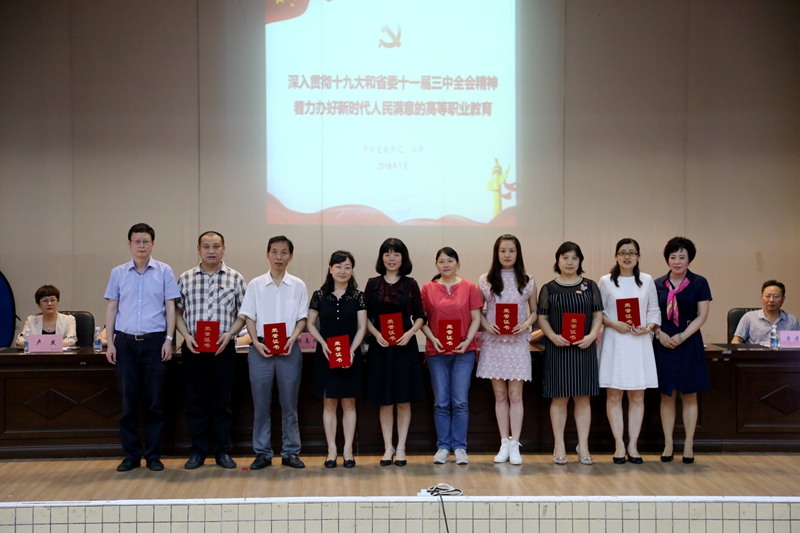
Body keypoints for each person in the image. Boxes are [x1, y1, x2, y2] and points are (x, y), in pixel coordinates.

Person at [104, 223, 180, 472]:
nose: (141, 245)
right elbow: (112, 308)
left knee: (154, 403)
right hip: (125, 344)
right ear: (129, 244)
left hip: (155, 343)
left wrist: (169, 339)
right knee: (128, 404)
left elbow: (170, 307)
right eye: (137, 241)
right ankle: (132, 455)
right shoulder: (118, 273)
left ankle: (154, 455)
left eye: (146, 241)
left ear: (152, 244)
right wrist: (111, 342)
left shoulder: (164, 271)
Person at [175, 231, 247, 470]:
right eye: (206, 246)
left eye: (216, 246)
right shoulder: (186, 278)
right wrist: (186, 336)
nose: (211, 251)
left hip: (222, 350)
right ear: (198, 249)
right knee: (195, 403)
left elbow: (244, 313)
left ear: (223, 249)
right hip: (193, 349)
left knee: (222, 403)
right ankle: (197, 452)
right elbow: (176, 312)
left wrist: (231, 333)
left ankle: (223, 451)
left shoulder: (235, 278)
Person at [238, 235, 309, 470]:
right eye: (275, 252)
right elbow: (248, 316)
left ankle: (290, 452)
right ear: (267, 254)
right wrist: (255, 343)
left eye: (284, 252)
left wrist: (293, 338)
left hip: (289, 350)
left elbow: (302, 318)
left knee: (290, 405)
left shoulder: (298, 285)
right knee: (261, 405)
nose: (279, 257)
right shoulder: (255, 285)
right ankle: (262, 453)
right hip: (260, 350)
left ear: (291, 256)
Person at [538, 241, 603, 466]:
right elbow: (542, 318)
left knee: (583, 398)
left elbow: (598, 315)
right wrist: (552, 336)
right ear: (558, 260)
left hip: (584, 348)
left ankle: (583, 446)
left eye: (574, 258)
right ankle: (559, 444)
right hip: (558, 348)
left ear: (580, 261)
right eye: (565, 257)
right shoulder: (549, 288)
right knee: (559, 398)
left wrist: (591, 336)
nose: (569, 262)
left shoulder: (590, 286)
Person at [476, 234, 538, 465]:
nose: (507, 254)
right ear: (497, 253)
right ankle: (503, 442)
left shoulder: (527, 279)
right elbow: (476, 311)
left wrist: (526, 324)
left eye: (511, 250)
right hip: (494, 343)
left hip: (517, 342)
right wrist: (486, 325)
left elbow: (535, 311)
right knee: (500, 395)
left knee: (515, 395)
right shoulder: (485, 279)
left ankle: (515, 444)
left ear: (517, 253)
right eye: (503, 250)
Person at [598, 238, 660, 464]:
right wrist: (614, 324)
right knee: (614, 395)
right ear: (616, 256)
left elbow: (654, 310)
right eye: (623, 253)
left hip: (638, 341)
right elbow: (599, 312)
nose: (627, 257)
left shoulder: (647, 280)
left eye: (632, 253)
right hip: (615, 340)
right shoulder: (606, 281)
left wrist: (649, 327)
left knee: (637, 395)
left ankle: (633, 444)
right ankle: (619, 444)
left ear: (638, 257)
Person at [364, 238, 426, 467]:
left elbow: (420, 315)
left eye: (396, 254)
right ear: (382, 257)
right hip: (380, 348)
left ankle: (401, 447)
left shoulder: (411, 284)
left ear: (403, 258)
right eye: (387, 254)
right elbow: (364, 316)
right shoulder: (372, 284)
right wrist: (375, 333)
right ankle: (388, 447)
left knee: (403, 399)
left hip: (404, 348)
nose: (391, 258)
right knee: (385, 400)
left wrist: (410, 333)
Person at [420, 247, 482, 465]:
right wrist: (433, 338)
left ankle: (460, 447)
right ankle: (443, 446)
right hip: (436, 352)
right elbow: (421, 319)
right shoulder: (428, 288)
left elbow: (476, 318)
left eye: (450, 261)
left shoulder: (469, 287)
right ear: (436, 264)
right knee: (441, 402)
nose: (446, 265)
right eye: (441, 261)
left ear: (457, 263)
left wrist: (468, 340)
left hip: (464, 352)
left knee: (460, 402)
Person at [652, 236, 711, 464]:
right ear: (667, 259)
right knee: (666, 396)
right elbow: (651, 314)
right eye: (673, 257)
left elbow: (702, 315)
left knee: (689, 394)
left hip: (689, 342)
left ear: (689, 259)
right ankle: (668, 443)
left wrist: (682, 336)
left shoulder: (699, 282)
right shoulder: (657, 284)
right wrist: (659, 333)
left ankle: (688, 444)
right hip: (663, 342)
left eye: (682, 257)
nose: (677, 261)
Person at [306, 250, 367, 469]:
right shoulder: (319, 295)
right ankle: (331, 450)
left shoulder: (358, 296)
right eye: (338, 266)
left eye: (347, 267)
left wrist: (352, 350)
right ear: (330, 269)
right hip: (326, 355)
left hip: (350, 355)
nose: (342, 271)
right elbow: (310, 324)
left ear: (352, 270)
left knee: (349, 403)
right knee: (329, 402)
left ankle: (348, 450)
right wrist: (323, 343)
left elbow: (362, 327)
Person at [732, 280, 799, 344]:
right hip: (755, 352)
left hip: (782, 352)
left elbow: (795, 345)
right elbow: (737, 339)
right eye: (767, 296)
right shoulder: (749, 317)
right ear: (761, 298)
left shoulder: (791, 320)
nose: (771, 300)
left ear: (783, 299)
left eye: (776, 296)